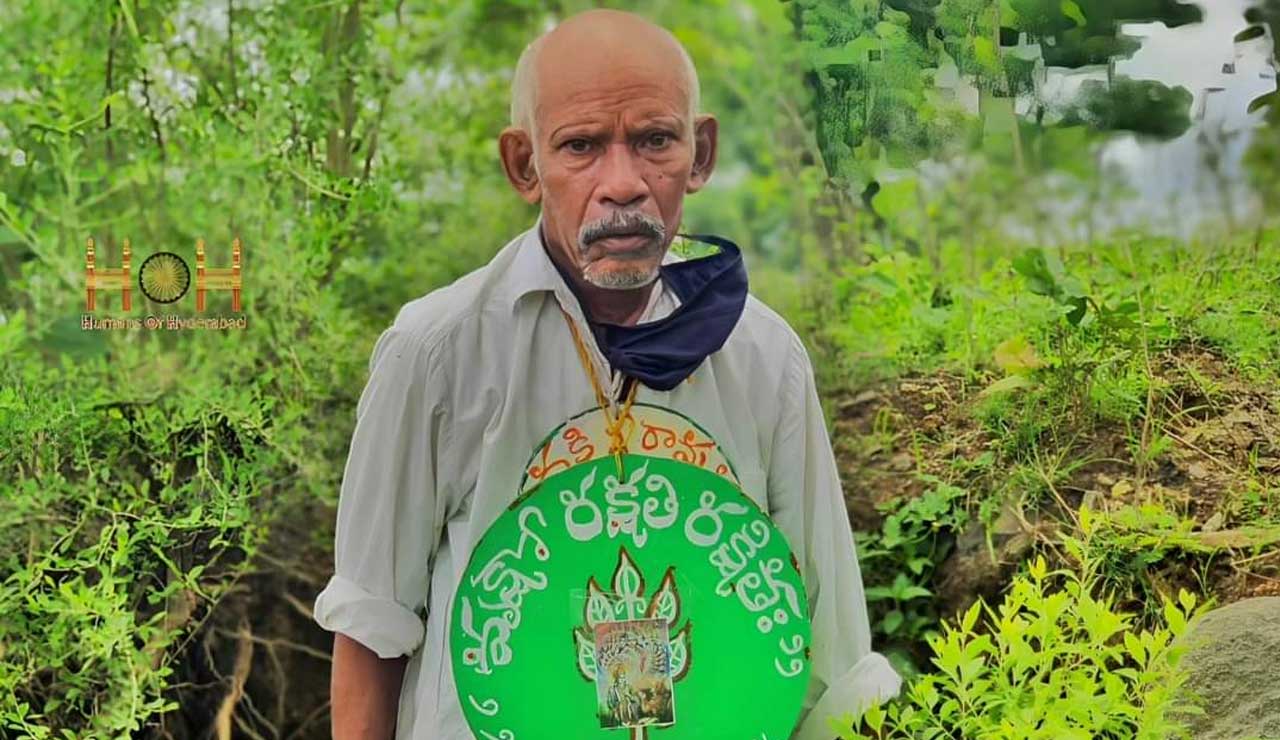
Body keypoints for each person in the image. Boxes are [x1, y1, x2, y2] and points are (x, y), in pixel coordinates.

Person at [312, 8, 900, 740]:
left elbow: (829, 648)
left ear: (702, 150)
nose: (621, 183)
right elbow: (372, 623)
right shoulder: (437, 353)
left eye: (655, 140)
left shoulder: (762, 359)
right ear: (525, 165)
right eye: (581, 146)